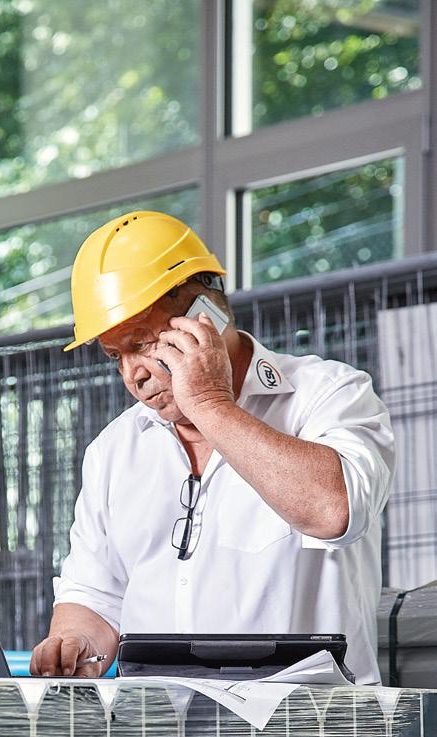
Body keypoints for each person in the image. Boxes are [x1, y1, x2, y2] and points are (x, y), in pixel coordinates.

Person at [29, 210, 395, 684]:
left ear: (206, 315)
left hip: (308, 735)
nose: (132, 376)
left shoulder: (330, 394)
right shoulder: (113, 451)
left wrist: (209, 403)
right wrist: (75, 642)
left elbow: (335, 511)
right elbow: (95, 595)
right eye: (116, 356)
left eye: (143, 343)